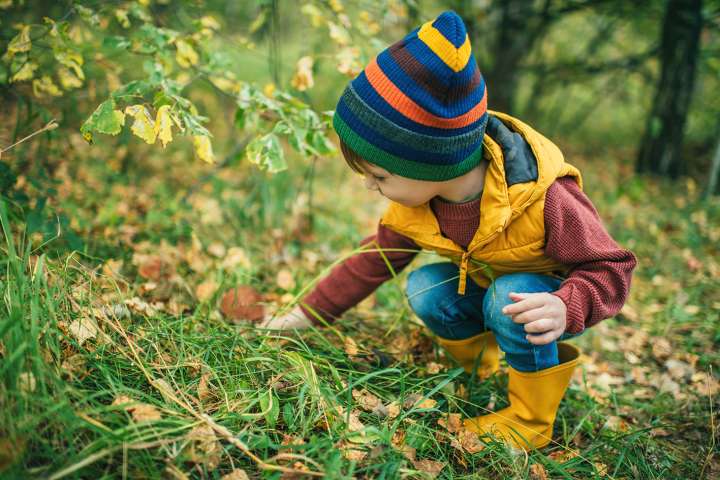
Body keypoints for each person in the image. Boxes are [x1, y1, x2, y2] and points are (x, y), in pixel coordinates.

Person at [259, 10, 637, 451]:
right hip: (492, 292)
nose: (369, 186)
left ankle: (530, 419)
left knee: (506, 296)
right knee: (425, 287)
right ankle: (479, 370)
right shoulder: (418, 204)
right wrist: (303, 317)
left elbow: (614, 267)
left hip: (545, 305)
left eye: (380, 176)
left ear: (432, 163)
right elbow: (371, 262)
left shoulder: (545, 197)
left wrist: (566, 305)